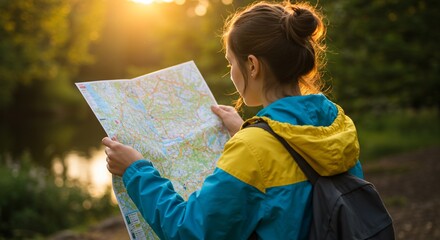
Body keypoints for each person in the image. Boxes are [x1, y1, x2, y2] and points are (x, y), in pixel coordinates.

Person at [102, 1, 364, 239]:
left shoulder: (253, 149)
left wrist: (135, 170)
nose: (231, 74)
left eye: (230, 63)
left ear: (252, 65)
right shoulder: (332, 120)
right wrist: (247, 132)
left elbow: (188, 231)